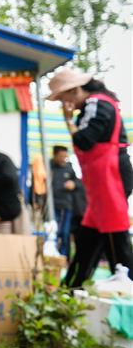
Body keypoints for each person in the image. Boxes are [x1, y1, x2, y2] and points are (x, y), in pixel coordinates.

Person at [47, 68, 133, 289]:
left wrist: (69, 121)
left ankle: (125, 280)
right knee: (90, 235)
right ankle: (73, 285)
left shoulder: (96, 103)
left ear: (74, 91)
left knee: (115, 232)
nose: (62, 103)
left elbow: (85, 140)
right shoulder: (93, 106)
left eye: (62, 97)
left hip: (110, 174)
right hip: (100, 180)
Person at [50, 145, 80, 257]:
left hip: (66, 205)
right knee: (53, 232)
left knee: (65, 233)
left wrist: (73, 184)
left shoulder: (69, 167)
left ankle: (64, 257)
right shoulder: (49, 167)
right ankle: (52, 255)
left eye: (65, 156)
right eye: (61, 156)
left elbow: (78, 183)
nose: (63, 159)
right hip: (52, 205)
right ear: (55, 155)